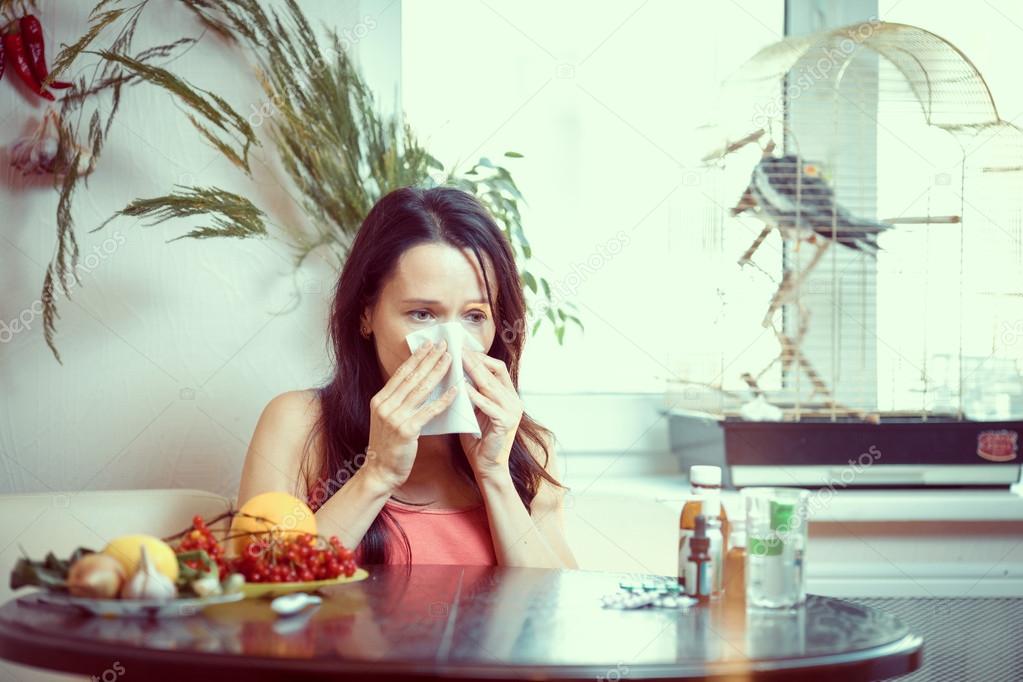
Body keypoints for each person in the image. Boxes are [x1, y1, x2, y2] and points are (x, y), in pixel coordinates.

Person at [236, 186, 577, 569]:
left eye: (474, 316)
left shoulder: (530, 448)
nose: (451, 345)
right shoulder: (298, 424)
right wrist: (377, 472)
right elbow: (260, 594)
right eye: (422, 314)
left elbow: (554, 608)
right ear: (367, 315)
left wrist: (494, 473)